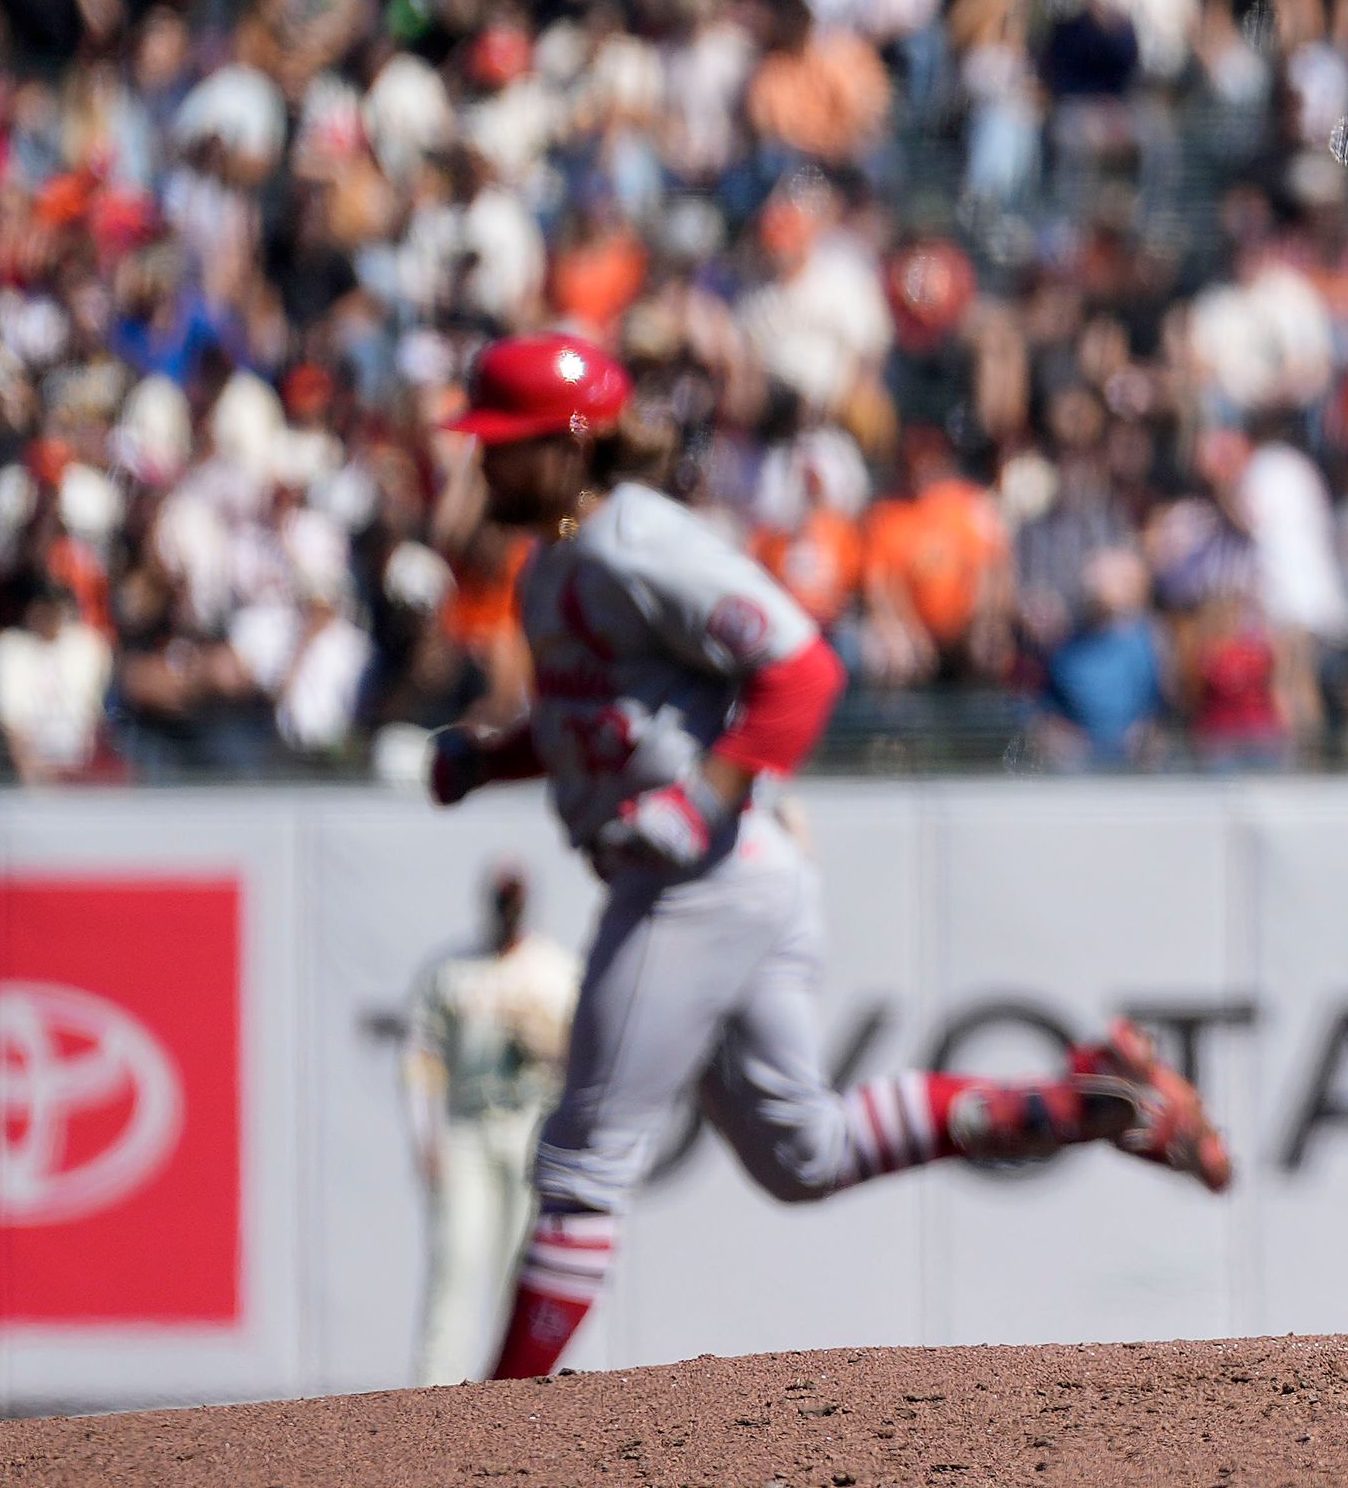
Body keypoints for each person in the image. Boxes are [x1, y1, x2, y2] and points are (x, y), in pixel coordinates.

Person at [423, 333, 1232, 1382]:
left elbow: (800, 665)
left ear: (573, 442)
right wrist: (494, 759)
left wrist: (702, 799)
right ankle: (1091, 1101)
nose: (484, 464)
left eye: (507, 443)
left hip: (700, 875)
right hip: (721, 867)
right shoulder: (559, 561)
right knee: (803, 1152)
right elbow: (603, 718)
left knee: (583, 1160)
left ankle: (498, 1426)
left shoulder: (637, 539)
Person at [403, 864, 580, 1386]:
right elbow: (421, 1057)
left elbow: (590, 1058)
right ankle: (434, 1387)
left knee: (523, 1265)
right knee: (456, 1256)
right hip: (467, 1125)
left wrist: (550, 1045)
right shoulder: (452, 971)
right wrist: (423, 1134)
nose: (509, 911)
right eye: (503, 901)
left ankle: (521, 1384)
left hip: (532, 1125)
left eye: (516, 902)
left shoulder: (557, 969)